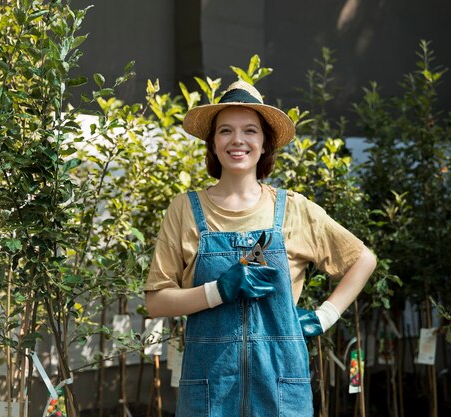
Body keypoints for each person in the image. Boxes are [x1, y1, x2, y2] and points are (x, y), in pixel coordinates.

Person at [143, 80, 376, 417]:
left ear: (265, 142)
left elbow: (362, 260)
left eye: (250, 130)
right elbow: (156, 301)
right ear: (213, 142)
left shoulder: (295, 208)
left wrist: (325, 316)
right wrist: (218, 290)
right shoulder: (184, 209)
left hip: (280, 387)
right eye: (225, 131)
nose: (238, 140)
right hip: (210, 389)